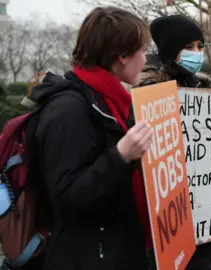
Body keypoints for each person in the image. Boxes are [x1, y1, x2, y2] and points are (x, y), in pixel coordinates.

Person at [30, 7, 153, 269]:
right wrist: (120, 157)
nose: (145, 60)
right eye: (142, 51)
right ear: (121, 56)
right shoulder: (69, 110)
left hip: (117, 252)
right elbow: (66, 200)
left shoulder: (112, 102)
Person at [134, 15, 211, 270]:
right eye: (189, 47)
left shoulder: (206, 88)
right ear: (171, 51)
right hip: (170, 213)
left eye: (200, 47)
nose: (197, 53)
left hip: (207, 205)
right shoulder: (148, 93)